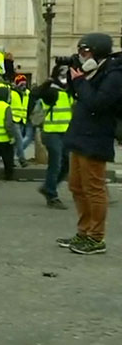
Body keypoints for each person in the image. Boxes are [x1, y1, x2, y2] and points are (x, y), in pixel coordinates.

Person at [57, 33, 122, 255]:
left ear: (97, 52)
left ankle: (96, 237)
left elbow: (98, 103)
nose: (81, 56)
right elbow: (80, 97)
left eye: (84, 52)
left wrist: (80, 81)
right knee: (76, 185)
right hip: (80, 135)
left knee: (94, 188)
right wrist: (75, 80)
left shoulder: (114, 74)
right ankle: (83, 231)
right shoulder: (93, 71)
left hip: (96, 137)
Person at [34, 66, 73, 209]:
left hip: (65, 133)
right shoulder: (51, 91)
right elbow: (36, 93)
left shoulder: (68, 92)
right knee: (55, 164)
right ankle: (51, 195)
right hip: (51, 133)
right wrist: (47, 82)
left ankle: (48, 187)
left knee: (66, 164)